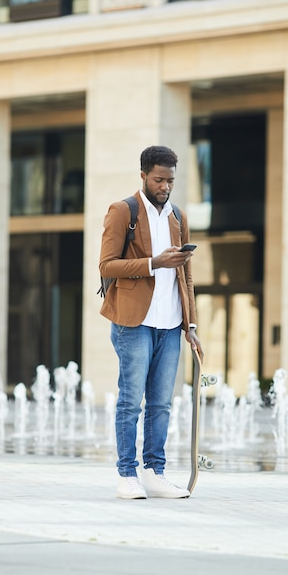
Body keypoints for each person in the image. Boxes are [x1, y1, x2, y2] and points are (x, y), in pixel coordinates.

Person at [99, 145, 203, 499]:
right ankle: (126, 474)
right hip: (133, 322)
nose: (165, 186)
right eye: (159, 179)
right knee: (131, 401)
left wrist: (191, 325)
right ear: (143, 175)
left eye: (170, 180)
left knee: (162, 403)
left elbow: (186, 277)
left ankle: (154, 472)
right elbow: (106, 266)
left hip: (171, 324)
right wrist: (153, 263)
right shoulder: (122, 211)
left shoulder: (178, 217)